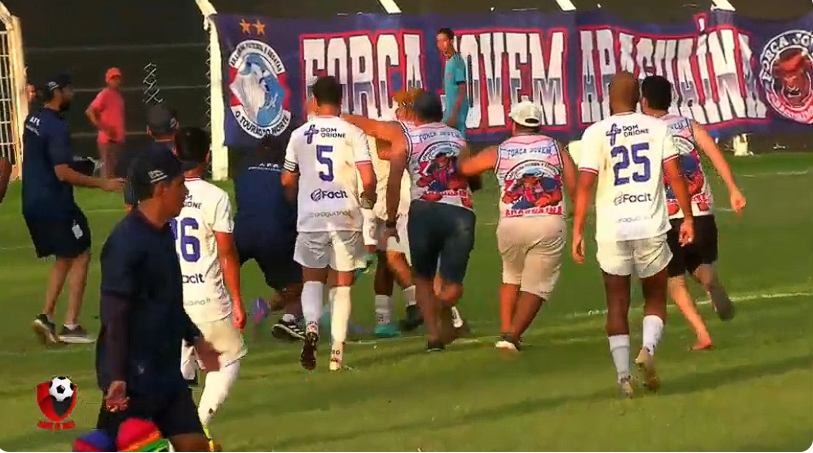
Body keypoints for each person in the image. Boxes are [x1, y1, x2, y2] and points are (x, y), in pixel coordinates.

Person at [572, 72, 695, 396]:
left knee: (616, 302)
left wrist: (577, 229)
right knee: (655, 297)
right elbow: (675, 175)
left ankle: (623, 376)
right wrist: (687, 217)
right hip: (650, 225)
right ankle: (648, 350)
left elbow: (585, 184)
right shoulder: (657, 128)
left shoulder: (595, 132)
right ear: (639, 98)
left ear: (609, 98)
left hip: (612, 229)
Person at [96, 146, 220, 452]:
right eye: (180, 185)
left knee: (198, 447)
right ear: (160, 188)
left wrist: (195, 337)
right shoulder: (126, 243)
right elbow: (114, 314)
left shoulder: (163, 232)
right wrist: (116, 376)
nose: (186, 194)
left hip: (166, 374)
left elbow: (167, 300)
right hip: (134, 380)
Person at [458, 101, 576, 351]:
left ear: (513, 124)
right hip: (549, 222)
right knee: (538, 286)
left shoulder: (499, 150)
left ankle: (506, 332)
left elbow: (466, 168)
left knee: (511, 277)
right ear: (538, 125)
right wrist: (577, 213)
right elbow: (573, 182)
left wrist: (462, 150)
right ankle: (512, 336)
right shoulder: (556, 147)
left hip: (511, 225)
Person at [640, 75, 746, 350]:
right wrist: (733, 189)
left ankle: (702, 334)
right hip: (701, 209)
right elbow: (714, 154)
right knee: (700, 262)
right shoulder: (688, 124)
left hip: (665, 215)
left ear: (644, 101)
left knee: (674, 280)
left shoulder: (643, 130)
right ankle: (710, 280)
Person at [282, 75, 378, 371]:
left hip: (311, 216)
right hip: (345, 214)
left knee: (312, 279)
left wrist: (295, 198)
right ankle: (337, 353)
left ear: (314, 101)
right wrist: (369, 199)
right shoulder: (353, 132)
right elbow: (368, 178)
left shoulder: (299, 134)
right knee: (342, 284)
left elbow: (287, 179)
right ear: (341, 100)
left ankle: (311, 327)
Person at [23, 74, 124, 345]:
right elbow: (62, 172)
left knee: (66, 254)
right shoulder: (57, 126)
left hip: (31, 200)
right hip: (54, 201)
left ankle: (46, 316)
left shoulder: (33, 119)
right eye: (69, 89)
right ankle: (71, 325)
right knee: (82, 250)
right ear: (58, 93)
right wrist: (103, 183)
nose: (73, 94)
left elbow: (47, 158)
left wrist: (79, 163)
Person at [384, 90, 480, 351]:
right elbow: (473, 176)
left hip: (423, 212)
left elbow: (394, 182)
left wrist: (390, 221)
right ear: (440, 113)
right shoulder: (457, 137)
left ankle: (433, 334)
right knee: (454, 285)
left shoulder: (406, 139)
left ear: (415, 115)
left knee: (423, 278)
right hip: (459, 211)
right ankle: (440, 325)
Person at [172, 126, 246, 445]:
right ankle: (199, 424)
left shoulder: (162, 192)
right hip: (207, 299)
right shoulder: (215, 197)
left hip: (172, 299)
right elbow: (227, 252)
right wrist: (237, 299)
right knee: (229, 356)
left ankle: (177, 438)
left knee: (179, 375)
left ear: (175, 153)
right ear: (207, 156)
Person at [340, 88, 422, 337]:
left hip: (390, 204)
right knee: (393, 260)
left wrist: (338, 116)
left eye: (399, 105)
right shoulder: (406, 131)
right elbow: (382, 149)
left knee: (391, 259)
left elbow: (375, 135)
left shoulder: (399, 129)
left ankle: (402, 311)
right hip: (390, 204)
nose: (396, 109)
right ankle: (399, 314)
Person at [234, 133, 305, 341]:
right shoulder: (287, 176)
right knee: (300, 282)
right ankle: (287, 319)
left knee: (216, 275)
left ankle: (261, 308)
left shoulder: (243, 173)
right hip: (273, 235)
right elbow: (293, 207)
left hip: (241, 233)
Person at [119, 104, 179, 212]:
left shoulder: (139, 160)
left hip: (153, 218)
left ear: (149, 131)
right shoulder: (189, 156)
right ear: (177, 126)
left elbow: (130, 204)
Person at [86, 67, 125, 178]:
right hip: (108, 140)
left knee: (113, 172)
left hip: (117, 140)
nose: (116, 81)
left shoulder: (118, 96)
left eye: (118, 78)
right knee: (107, 172)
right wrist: (104, 128)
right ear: (108, 80)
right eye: (113, 78)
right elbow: (90, 111)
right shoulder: (105, 94)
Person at [436, 28, 469, 138]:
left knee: (459, 138)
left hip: (457, 110)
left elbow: (462, 89)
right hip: (451, 109)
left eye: (444, 40)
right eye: (438, 41)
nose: (440, 44)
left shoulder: (456, 61)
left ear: (451, 41)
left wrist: (454, 114)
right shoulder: (448, 61)